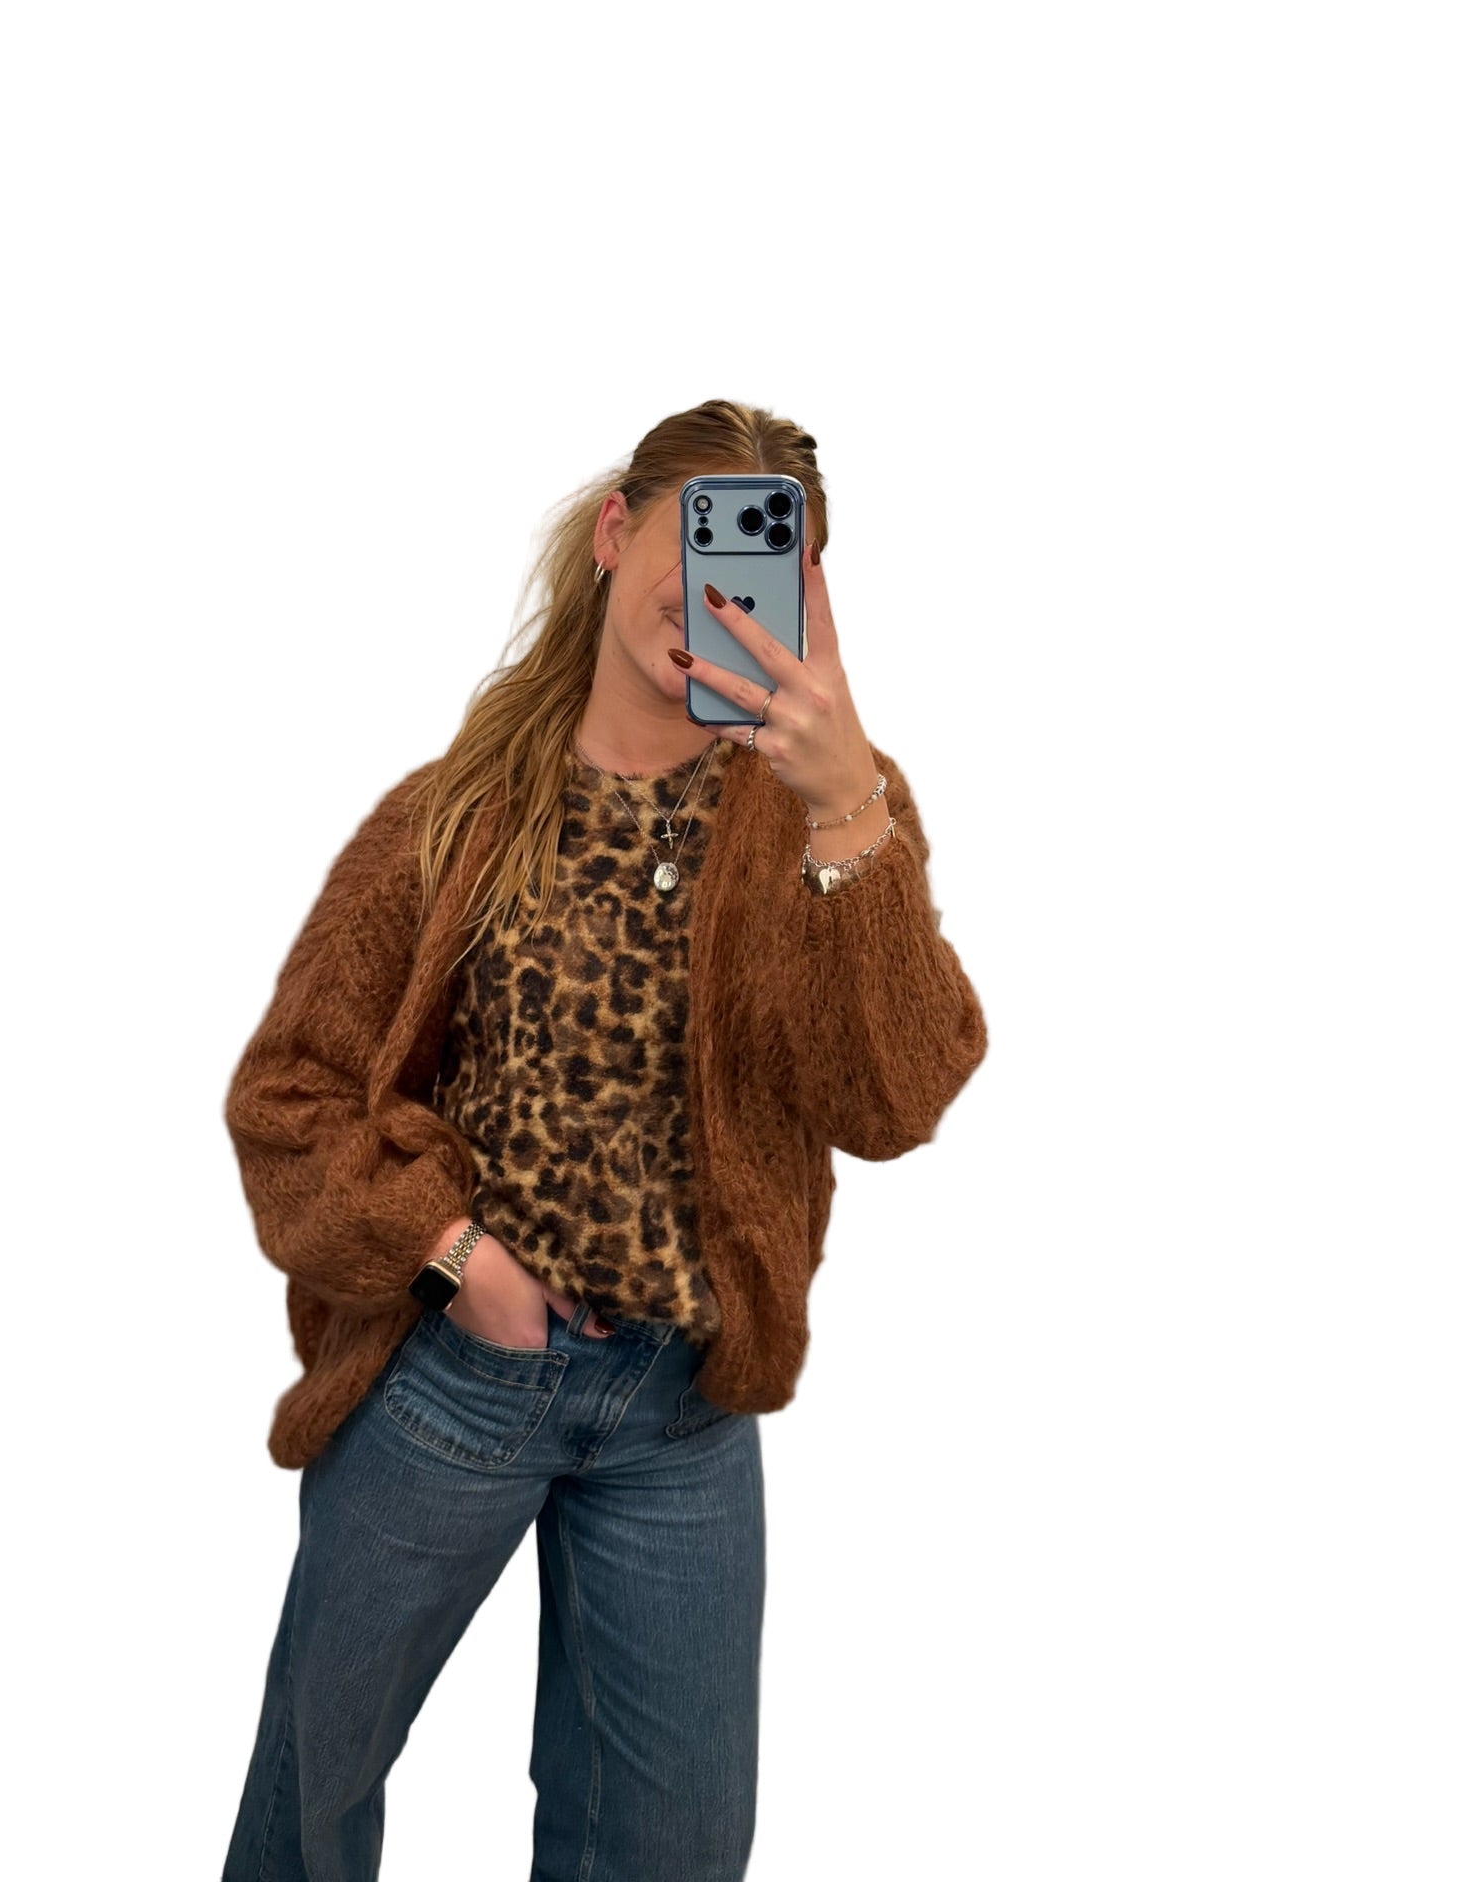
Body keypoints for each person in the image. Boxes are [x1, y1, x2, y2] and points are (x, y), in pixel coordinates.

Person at [220, 397, 988, 1881]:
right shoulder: (457, 815)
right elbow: (290, 1094)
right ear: (616, 532)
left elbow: (893, 1099)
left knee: (673, 1850)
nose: (716, 584)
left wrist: (847, 814)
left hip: (685, 1414)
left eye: (764, 556)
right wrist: (453, 1255)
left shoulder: (829, 819)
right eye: (697, 534)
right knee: (313, 1797)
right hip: (455, 1379)